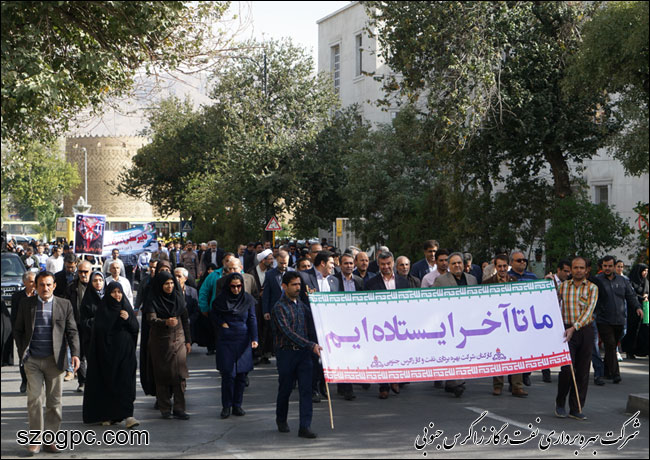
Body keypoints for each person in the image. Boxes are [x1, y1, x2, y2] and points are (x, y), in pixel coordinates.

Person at [14, 271, 80, 455]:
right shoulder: (27, 304)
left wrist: (75, 354)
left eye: (49, 284)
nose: (45, 288)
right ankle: (35, 440)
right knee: (34, 399)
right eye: (42, 284)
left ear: (54, 285)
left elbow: (72, 331)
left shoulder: (64, 305)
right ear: (35, 286)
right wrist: (22, 352)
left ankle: (50, 440)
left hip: (55, 360)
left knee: (54, 402)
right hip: (33, 360)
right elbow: (18, 330)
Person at [82, 282, 139, 428]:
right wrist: (117, 321)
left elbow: (135, 329)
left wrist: (127, 320)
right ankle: (110, 415)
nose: (117, 295)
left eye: (119, 292)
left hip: (125, 355)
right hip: (107, 355)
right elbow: (100, 330)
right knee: (109, 385)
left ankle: (128, 416)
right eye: (113, 292)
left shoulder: (126, 308)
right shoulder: (103, 310)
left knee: (126, 384)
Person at [272, 271, 321, 439]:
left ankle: (304, 426)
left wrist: (316, 301)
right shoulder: (279, 307)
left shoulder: (301, 304)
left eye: (299, 284)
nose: (297, 288)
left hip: (304, 355)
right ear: (284, 286)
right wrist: (310, 345)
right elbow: (288, 333)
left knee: (306, 390)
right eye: (294, 285)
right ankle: (281, 418)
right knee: (285, 388)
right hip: (286, 354)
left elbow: (316, 317)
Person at [210, 273, 259, 418]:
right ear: (228, 286)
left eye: (239, 286)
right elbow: (213, 315)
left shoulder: (247, 299)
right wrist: (221, 324)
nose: (236, 289)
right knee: (228, 375)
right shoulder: (220, 301)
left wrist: (255, 338)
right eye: (233, 286)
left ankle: (237, 405)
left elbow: (252, 319)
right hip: (226, 340)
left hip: (243, 339)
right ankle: (226, 406)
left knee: (241, 375)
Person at [144, 271, 191, 420]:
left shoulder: (178, 298)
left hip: (178, 340)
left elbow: (185, 320)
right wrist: (165, 322)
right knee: (162, 375)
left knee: (180, 375)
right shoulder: (153, 299)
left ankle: (179, 408)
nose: (169, 286)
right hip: (160, 342)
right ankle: (165, 408)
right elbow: (150, 319)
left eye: (171, 283)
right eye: (166, 284)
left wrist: (188, 341)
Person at [555, 256, 597, 421]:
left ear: (586, 270)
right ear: (570, 269)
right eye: (575, 268)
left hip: (584, 330)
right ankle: (560, 403)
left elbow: (589, 311)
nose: (578, 270)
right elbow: (549, 302)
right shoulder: (563, 287)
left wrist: (575, 327)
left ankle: (576, 407)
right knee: (566, 369)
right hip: (566, 331)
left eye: (581, 268)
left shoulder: (592, 288)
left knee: (582, 371)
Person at [433, 252, 478, 397]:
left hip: (467, 322)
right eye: (453, 263)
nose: (457, 265)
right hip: (449, 323)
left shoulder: (472, 280)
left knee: (463, 352)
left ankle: (454, 382)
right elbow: (434, 302)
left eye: (459, 263)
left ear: (464, 265)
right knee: (452, 353)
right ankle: (455, 382)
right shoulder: (441, 281)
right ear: (449, 266)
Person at [483, 254, 527, 397]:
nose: (502, 269)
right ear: (495, 267)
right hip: (496, 324)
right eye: (499, 266)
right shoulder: (488, 283)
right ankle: (498, 385)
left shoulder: (514, 281)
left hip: (513, 323)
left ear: (508, 267)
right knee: (498, 354)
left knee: (516, 354)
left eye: (504, 266)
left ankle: (517, 386)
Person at [595, 255, 641, 383]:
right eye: (605, 266)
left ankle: (606, 370)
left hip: (620, 319)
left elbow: (630, 296)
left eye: (610, 266)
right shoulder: (597, 280)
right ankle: (616, 374)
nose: (607, 268)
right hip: (603, 319)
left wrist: (638, 307)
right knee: (610, 345)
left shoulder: (623, 281)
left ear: (615, 266)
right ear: (602, 267)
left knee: (613, 344)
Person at [333, 253, 364, 400]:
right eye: (346, 263)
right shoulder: (333, 281)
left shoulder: (359, 281)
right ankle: (345, 387)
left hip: (356, 324)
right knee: (341, 355)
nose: (349, 266)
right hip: (338, 322)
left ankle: (348, 384)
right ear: (340, 265)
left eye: (351, 263)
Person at [64, 260, 93, 392]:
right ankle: (83, 381)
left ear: (90, 272)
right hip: (76, 326)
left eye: (86, 272)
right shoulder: (72, 287)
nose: (83, 274)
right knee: (78, 354)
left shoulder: (97, 285)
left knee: (93, 354)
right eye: (80, 272)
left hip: (93, 327)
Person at [10, 271, 36, 393]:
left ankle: (35, 382)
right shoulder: (17, 297)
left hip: (37, 332)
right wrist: (16, 333)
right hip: (22, 333)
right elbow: (14, 316)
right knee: (23, 357)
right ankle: (24, 381)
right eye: (31, 281)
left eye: (35, 281)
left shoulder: (39, 295)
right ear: (24, 282)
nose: (33, 284)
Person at [622, 264, 649, 358]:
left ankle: (642, 350)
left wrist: (646, 297)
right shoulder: (630, 282)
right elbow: (630, 295)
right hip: (632, 310)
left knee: (644, 330)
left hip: (645, 309)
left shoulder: (646, 282)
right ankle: (629, 350)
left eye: (647, 270)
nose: (646, 273)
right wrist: (642, 297)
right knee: (632, 330)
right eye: (644, 270)